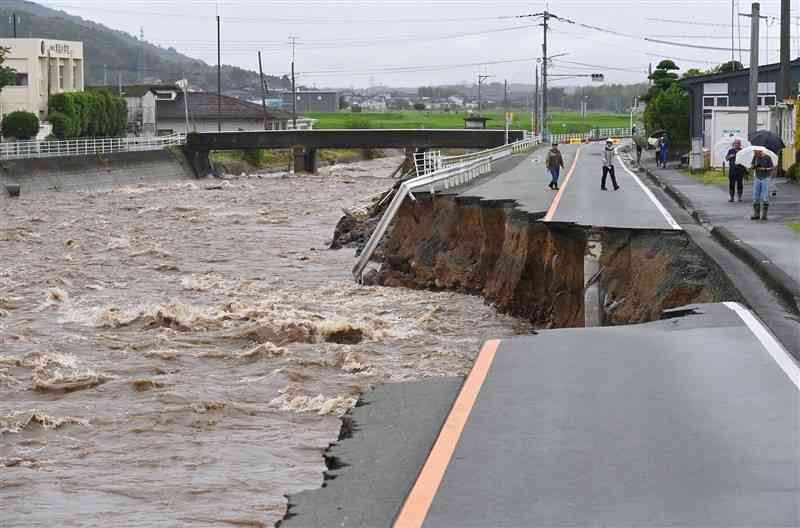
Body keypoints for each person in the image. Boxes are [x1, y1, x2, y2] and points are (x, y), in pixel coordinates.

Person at [750, 149, 774, 221]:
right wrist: (754, 166)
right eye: (754, 153)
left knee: (765, 196)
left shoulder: (767, 157)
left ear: (760, 151)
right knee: (755, 196)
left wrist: (765, 169)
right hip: (757, 178)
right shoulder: (755, 157)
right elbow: (752, 166)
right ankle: (756, 214)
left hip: (765, 178)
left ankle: (764, 215)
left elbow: (772, 167)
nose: (755, 155)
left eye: (756, 153)